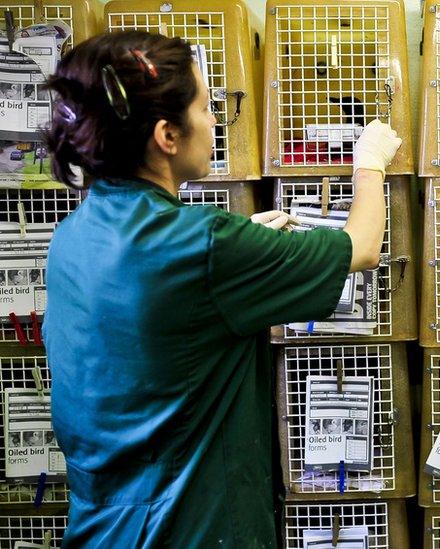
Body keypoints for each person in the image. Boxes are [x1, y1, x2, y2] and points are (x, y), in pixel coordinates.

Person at [40, 31, 401, 547]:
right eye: (208, 107)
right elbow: (362, 246)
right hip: (191, 527)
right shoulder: (204, 243)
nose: (214, 122)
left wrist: (240, 253)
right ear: (167, 135)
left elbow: (157, 319)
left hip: (104, 528)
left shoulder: (74, 235)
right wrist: (369, 162)